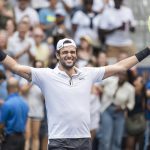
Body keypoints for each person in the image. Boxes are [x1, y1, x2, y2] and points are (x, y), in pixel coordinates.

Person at [0, 37, 149, 149]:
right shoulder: (46, 75)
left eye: (72, 52)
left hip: (83, 139)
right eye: (65, 52)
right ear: (58, 55)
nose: (69, 55)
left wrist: (147, 50)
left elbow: (120, 67)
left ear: (76, 54)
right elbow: (16, 67)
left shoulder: (88, 73)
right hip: (58, 141)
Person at [0, 77, 29, 150]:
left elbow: (1, 124)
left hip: (9, 139)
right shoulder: (25, 104)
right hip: (22, 139)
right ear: (18, 88)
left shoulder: (7, 104)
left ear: (7, 88)